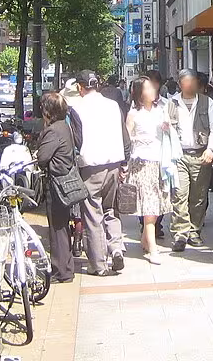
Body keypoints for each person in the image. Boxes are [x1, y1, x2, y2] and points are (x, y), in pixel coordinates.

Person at [71, 70, 127, 276]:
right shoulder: (113, 105)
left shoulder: (76, 108)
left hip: (90, 167)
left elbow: (76, 140)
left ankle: (99, 264)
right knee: (110, 209)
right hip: (114, 163)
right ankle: (117, 248)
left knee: (93, 215)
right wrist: (125, 162)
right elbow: (124, 134)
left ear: (80, 87)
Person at [126, 76, 174, 264]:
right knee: (149, 205)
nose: (153, 90)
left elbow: (169, 135)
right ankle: (153, 248)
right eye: (147, 88)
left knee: (156, 204)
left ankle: (146, 239)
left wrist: (167, 128)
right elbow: (127, 140)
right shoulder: (133, 115)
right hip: (141, 163)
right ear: (139, 93)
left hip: (159, 163)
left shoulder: (161, 111)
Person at [168, 69, 213, 252]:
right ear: (180, 84)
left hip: (201, 155)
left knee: (199, 196)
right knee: (179, 194)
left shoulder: (208, 103)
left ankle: (194, 230)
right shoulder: (171, 103)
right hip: (178, 155)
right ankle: (180, 233)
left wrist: (211, 149)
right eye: (185, 82)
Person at [35, 92, 78, 284]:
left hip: (57, 183)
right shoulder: (65, 126)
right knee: (62, 226)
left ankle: (61, 271)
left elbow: (42, 157)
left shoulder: (53, 131)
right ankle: (66, 267)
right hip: (65, 181)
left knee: (57, 228)